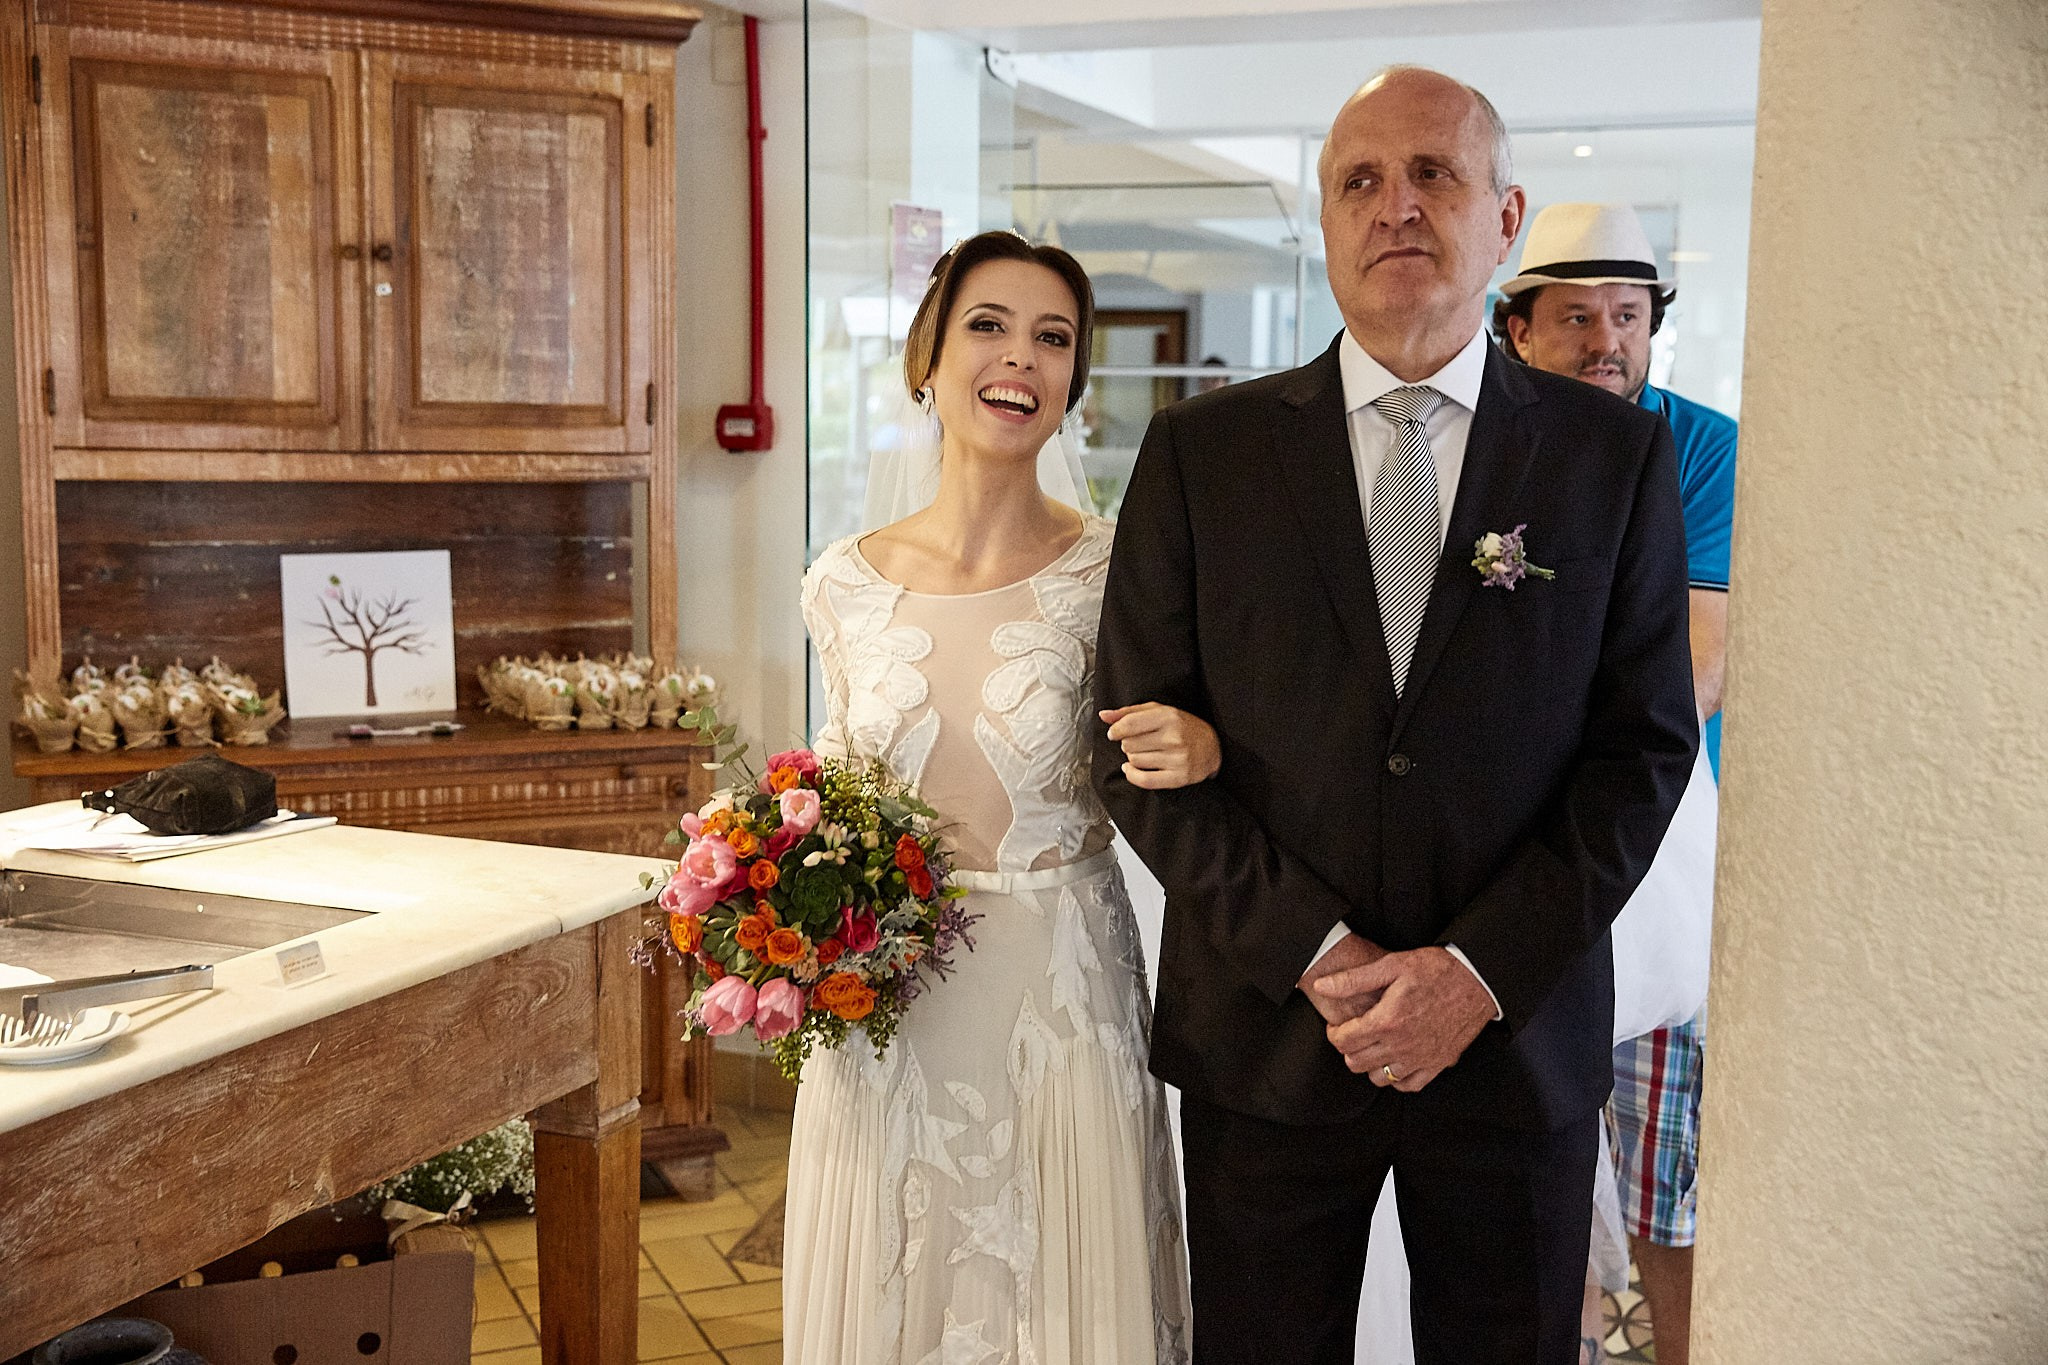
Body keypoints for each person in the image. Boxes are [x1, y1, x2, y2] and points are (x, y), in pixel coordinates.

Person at [1092, 65, 1698, 1365]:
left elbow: (1640, 751)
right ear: (1323, 221)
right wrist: (1324, 955)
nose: (1397, 207)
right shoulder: (1205, 457)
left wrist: (1472, 976)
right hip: (1270, 1033)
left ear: (1506, 213)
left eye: (1436, 173)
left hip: (1515, 1039)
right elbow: (1139, 752)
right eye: (1359, 180)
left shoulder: (1612, 462)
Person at [785, 230, 1210, 1364]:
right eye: (987, 324)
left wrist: (1205, 741)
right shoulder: (841, 581)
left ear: (1071, 385)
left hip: (1057, 1003)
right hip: (885, 1005)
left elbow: (1199, 730)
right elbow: (812, 800)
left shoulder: (1120, 569)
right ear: (929, 353)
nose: (1016, 357)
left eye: (1052, 338)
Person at [1500, 201, 1738, 1365]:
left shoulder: (1697, 446)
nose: (1607, 341)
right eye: (1577, 317)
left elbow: (1689, 675)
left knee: (1659, 1165)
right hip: (1510, 856)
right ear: (1517, 332)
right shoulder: (1494, 442)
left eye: (1628, 317)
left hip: (1659, 849)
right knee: (1533, 1162)